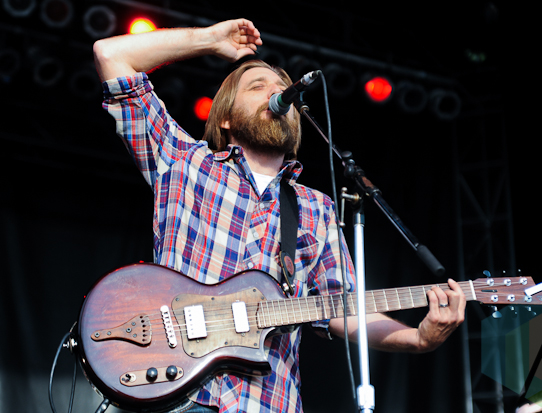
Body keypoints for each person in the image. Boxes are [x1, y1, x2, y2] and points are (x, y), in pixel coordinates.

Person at [93, 17, 467, 413]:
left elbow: (342, 309)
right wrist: (210, 39)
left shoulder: (315, 208)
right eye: (258, 86)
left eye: (282, 89)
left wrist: (419, 339)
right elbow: (111, 54)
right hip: (178, 396)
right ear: (225, 117)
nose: (277, 93)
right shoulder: (184, 163)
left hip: (269, 403)